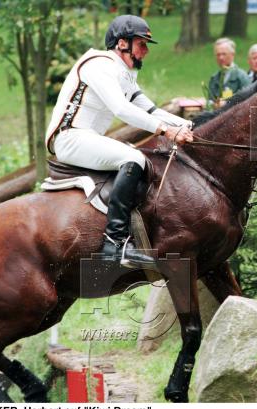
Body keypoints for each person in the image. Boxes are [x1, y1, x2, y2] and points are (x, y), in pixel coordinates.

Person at [45, 15, 194, 268]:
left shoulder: (124, 74)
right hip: (69, 138)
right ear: (122, 43)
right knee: (133, 158)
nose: (146, 51)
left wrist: (187, 125)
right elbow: (121, 109)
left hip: (87, 138)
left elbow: (150, 109)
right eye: (141, 44)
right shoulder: (99, 65)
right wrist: (166, 131)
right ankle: (114, 243)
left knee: (139, 157)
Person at [206, 38, 250, 107]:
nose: (221, 58)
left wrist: (227, 103)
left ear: (232, 55)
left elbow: (248, 100)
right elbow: (210, 100)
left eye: (224, 54)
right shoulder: (214, 78)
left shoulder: (242, 77)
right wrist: (213, 104)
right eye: (218, 55)